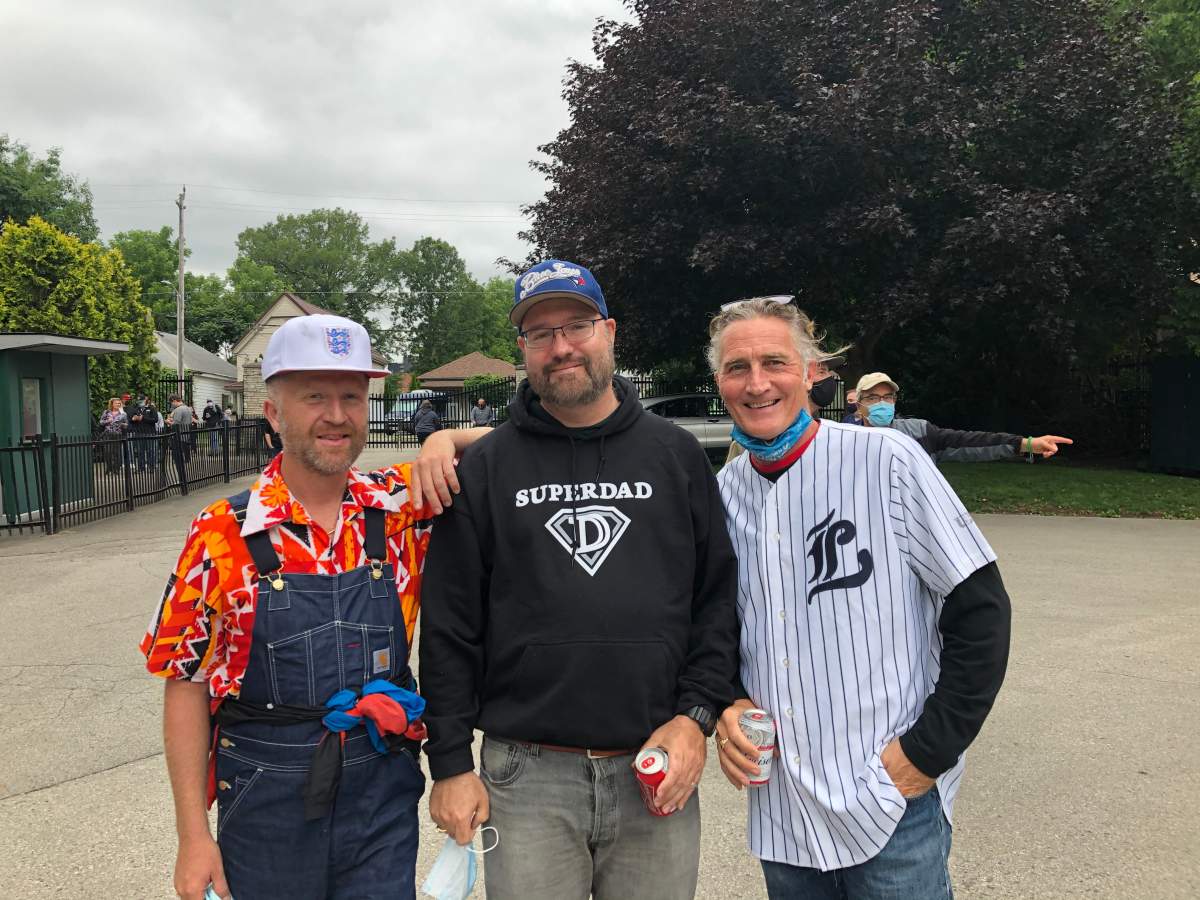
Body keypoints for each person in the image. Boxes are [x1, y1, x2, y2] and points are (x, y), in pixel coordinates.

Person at [139, 314, 491, 900]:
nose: (336, 415)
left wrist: (443, 441)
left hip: (382, 791)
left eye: (352, 396)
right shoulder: (221, 533)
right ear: (274, 414)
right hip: (264, 799)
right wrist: (193, 837)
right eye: (314, 397)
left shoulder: (400, 506)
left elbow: (523, 440)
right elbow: (185, 683)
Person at [419, 259, 740, 900]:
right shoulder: (482, 470)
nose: (561, 346)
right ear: (524, 351)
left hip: (655, 764)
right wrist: (450, 762)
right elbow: (450, 625)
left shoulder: (674, 456)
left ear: (610, 332)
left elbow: (716, 601)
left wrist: (695, 715)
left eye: (577, 326)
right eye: (540, 334)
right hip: (526, 775)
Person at [708, 298, 1012, 899]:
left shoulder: (887, 460)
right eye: (737, 367)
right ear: (719, 382)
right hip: (784, 806)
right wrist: (727, 700)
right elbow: (715, 628)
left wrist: (926, 754)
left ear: (813, 372)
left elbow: (981, 611)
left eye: (775, 361)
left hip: (891, 799)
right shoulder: (721, 494)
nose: (757, 382)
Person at [853, 372, 1073, 462]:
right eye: (873, 398)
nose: (882, 403)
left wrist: (1027, 444)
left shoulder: (919, 432)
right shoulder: (845, 439)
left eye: (888, 397)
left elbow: (969, 442)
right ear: (859, 402)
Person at [128, 394, 159, 471]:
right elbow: (131, 419)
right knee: (139, 451)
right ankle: (140, 467)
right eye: (139, 400)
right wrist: (133, 419)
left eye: (141, 400)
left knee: (150, 450)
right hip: (139, 432)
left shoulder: (151, 408)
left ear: (146, 400)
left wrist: (143, 418)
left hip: (149, 432)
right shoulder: (136, 408)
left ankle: (151, 467)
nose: (140, 402)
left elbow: (155, 420)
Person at [98, 397, 128, 473]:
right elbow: (101, 422)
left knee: (116, 452)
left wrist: (123, 424)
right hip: (107, 433)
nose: (118, 404)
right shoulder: (106, 412)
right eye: (116, 403)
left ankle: (116, 469)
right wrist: (108, 421)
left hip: (117, 434)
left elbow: (126, 424)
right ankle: (109, 467)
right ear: (112, 404)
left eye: (119, 403)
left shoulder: (123, 414)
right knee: (107, 452)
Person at [168, 395, 195, 464]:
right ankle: (187, 460)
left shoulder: (178, 409)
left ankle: (179, 461)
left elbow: (176, 423)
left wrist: (168, 422)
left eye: (172, 403)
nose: (172, 405)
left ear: (174, 401)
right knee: (186, 447)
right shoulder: (188, 408)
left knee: (178, 449)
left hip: (179, 433)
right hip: (187, 431)